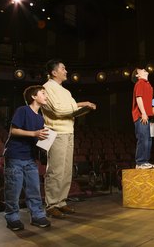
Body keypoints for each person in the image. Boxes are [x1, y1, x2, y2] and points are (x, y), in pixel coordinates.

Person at [42, 59, 96, 219]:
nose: (66, 71)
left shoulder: (65, 91)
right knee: (55, 170)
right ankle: (51, 205)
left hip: (68, 131)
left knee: (66, 171)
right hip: (54, 131)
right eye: (63, 68)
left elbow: (70, 108)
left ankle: (61, 202)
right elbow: (58, 110)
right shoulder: (46, 87)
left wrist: (84, 106)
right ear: (54, 72)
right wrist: (79, 106)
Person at [4, 85, 51, 231]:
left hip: (31, 157)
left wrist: (46, 141)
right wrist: (34, 134)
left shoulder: (40, 118)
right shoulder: (22, 110)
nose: (46, 96)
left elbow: (37, 138)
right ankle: (12, 217)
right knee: (14, 189)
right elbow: (14, 130)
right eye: (43, 93)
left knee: (34, 189)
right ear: (34, 97)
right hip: (15, 156)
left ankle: (37, 215)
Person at [131, 68, 154, 169]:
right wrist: (143, 113)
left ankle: (145, 161)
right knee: (143, 139)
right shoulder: (140, 82)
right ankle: (140, 162)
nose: (144, 69)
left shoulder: (148, 84)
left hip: (147, 116)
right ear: (137, 75)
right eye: (141, 69)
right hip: (141, 116)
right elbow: (138, 98)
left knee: (148, 140)